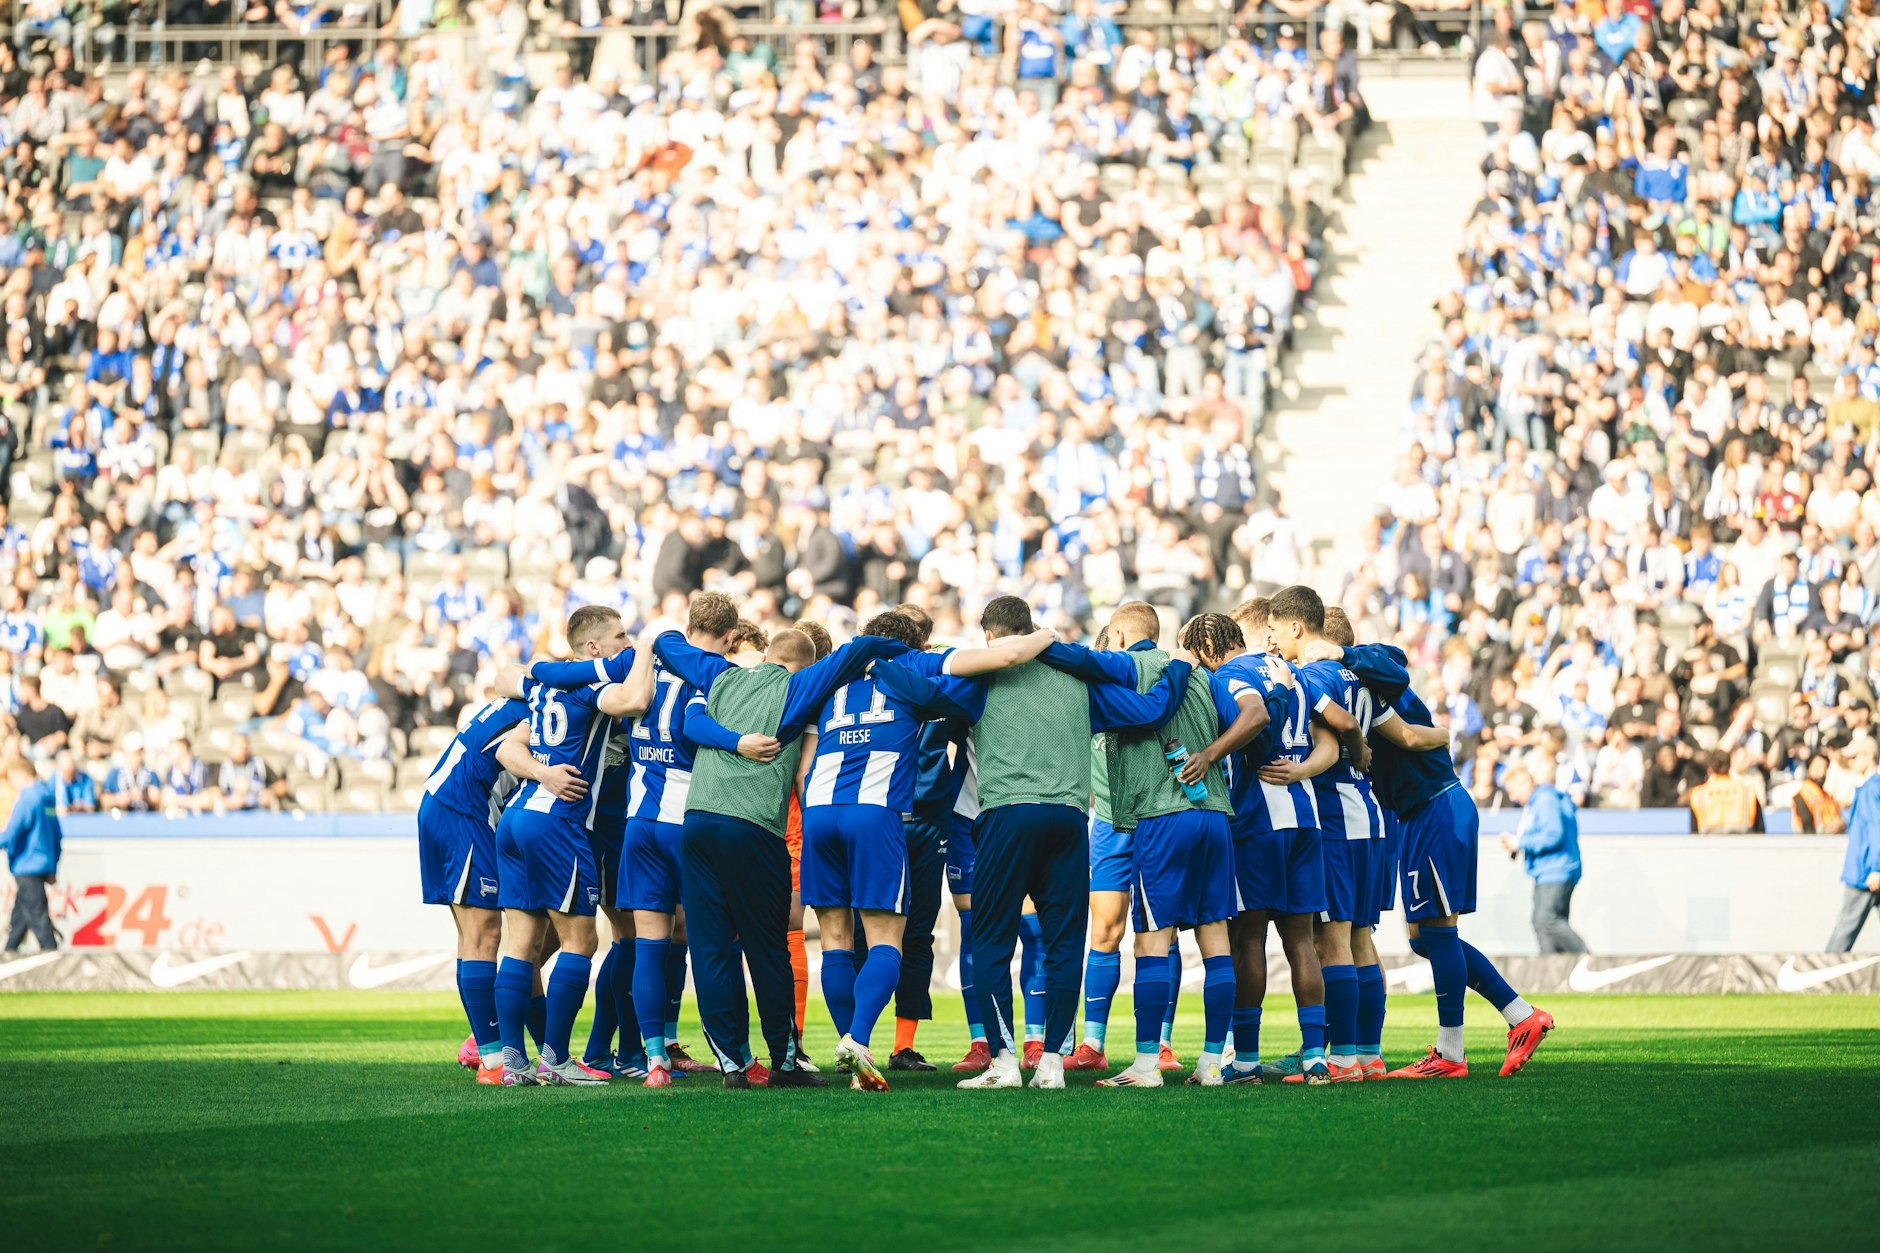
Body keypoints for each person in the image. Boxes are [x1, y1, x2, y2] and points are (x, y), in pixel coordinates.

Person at [795, 611, 1053, 1089]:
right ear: (915, 643)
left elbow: (801, 759)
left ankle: (853, 1052)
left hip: (819, 811)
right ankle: (857, 1040)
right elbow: (1006, 656)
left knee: (835, 940)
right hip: (875, 813)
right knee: (886, 939)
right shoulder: (913, 664)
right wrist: (1051, 635)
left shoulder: (832, 674)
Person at [955, 595, 1196, 1091]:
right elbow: (1150, 712)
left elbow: (925, 698)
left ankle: (1003, 1062)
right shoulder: (1076, 679)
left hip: (1007, 815)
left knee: (991, 940)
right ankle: (1051, 1065)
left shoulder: (980, 676)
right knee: (1064, 944)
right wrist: (1176, 668)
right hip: (1068, 819)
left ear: (990, 637)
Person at [659, 623, 913, 1088]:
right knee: (768, 948)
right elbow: (860, 649)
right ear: (804, 666)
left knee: (711, 948)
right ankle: (784, 1060)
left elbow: (667, 642)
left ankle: (732, 1065)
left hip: (696, 822)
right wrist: (907, 648)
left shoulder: (720, 675)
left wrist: (731, 739)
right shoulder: (798, 685)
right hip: (753, 826)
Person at [528, 595, 742, 1085]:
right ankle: (729, 1055)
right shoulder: (701, 673)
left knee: (646, 941)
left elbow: (541, 677)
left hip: (634, 824)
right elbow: (691, 722)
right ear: (729, 637)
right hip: (649, 824)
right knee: (699, 940)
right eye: (620, 636)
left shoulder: (633, 666)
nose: (629, 642)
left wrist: (531, 670)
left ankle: (649, 1054)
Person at [1334, 639, 1556, 1079]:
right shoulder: (1367, 689)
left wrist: (1341, 654)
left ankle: (1452, 1053)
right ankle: (1521, 1015)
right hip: (1424, 812)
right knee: (1424, 938)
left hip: (1435, 809)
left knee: (1438, 932)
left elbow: (1396, 666)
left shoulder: (1370, 676)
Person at [487, 606, 657, 1087]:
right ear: (594, 648)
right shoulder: (591, 687)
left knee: (521, 945)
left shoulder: (542, 685)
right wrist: (650, 646)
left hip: (517, 816)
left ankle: (513, 1063)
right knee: (581, 941)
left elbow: (509, 690)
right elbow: (635, 698)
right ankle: (556, 1059)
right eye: (621, 636)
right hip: (558, 821)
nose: (628, 642)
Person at [1081, 602, 1237, 1090]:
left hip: (1161, 817)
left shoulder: (1124, 674)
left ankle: (1147, 1064)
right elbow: (1244, 720)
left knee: (1151, 938)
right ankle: (1212, 1064)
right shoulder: (1203, 676)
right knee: (1215, 937)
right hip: (1214, 814)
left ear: (1118, 638)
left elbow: (1140, 714)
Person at [416, 692, 589, 1081]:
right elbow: (505, 753)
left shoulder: (530, 698)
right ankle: (492, 1058)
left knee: (500, 939)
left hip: (450, 804)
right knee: (486, 935)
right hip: (464, 810)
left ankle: (538, 1053)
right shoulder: (546, 712)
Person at [1267, 585, 1385, 1084]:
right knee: (1360, 939)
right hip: (1369, 817)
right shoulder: (1359, 675)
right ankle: (1369, 1055)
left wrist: (1305, 768)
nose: (1271, 639)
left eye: (1275, 628)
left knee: (1331, 940)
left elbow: (1337, 728)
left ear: (1296, 627)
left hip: (1336, 817)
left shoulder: (1311, 674)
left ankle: (1342, 1059)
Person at [1501, 763, 1587, 954]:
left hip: (1556, 870)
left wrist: (1520, 842)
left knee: (1546, 920)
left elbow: (1553, 834)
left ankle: (1588, 960)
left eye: (1513, 791)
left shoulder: (1545, 801)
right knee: (1543, 923)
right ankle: (1553, 966)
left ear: (1524, 782)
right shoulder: (1540, 802)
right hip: (1551, 870)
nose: (1512, 798)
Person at [3, 762, 61, 954]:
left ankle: (54, 959)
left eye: (13, 779)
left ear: (22, 774)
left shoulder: (28, 798)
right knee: (20, 919)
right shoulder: (46, 798)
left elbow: (12, 832)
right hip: (41, 866)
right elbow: (56, 835)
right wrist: (52, 867)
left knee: (39, 919)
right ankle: (8, 955)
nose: (13, 784)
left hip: (26, 865)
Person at [1827, 765, 1880, 952]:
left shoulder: (1872, 788)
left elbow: (1876, 829)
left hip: (1865, 874)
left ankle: (1827, 970)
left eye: (1854, 758)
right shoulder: (1869, 788)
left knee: (1842, 937)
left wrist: (1876, 868)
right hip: (1867, 871)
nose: (1849, 763)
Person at [1689, 750, 1763, 834]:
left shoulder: (1698, 794)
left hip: (1709, 841)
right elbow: (1760, 830)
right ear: (1730, 767)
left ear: (1710, 770)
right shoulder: (1747, 791)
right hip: (1743, 841)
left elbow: (1694, 833)